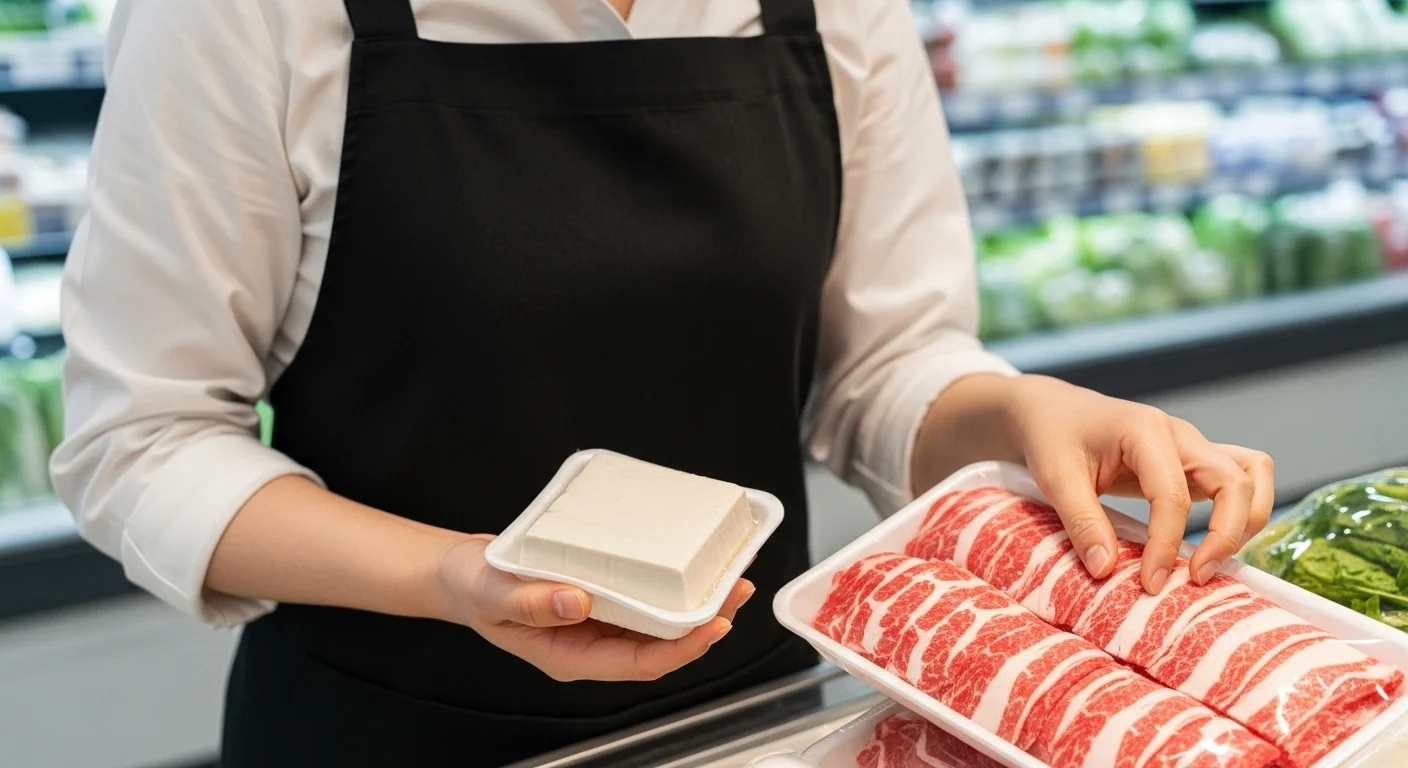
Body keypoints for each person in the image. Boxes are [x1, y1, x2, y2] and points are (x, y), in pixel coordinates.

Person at [52, 1, 1275, 765]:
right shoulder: (242, 14)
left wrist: (1017, 410)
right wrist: (451, 577)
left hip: (758, 723)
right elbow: (143, 437)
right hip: (387, 724)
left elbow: (878, 368)